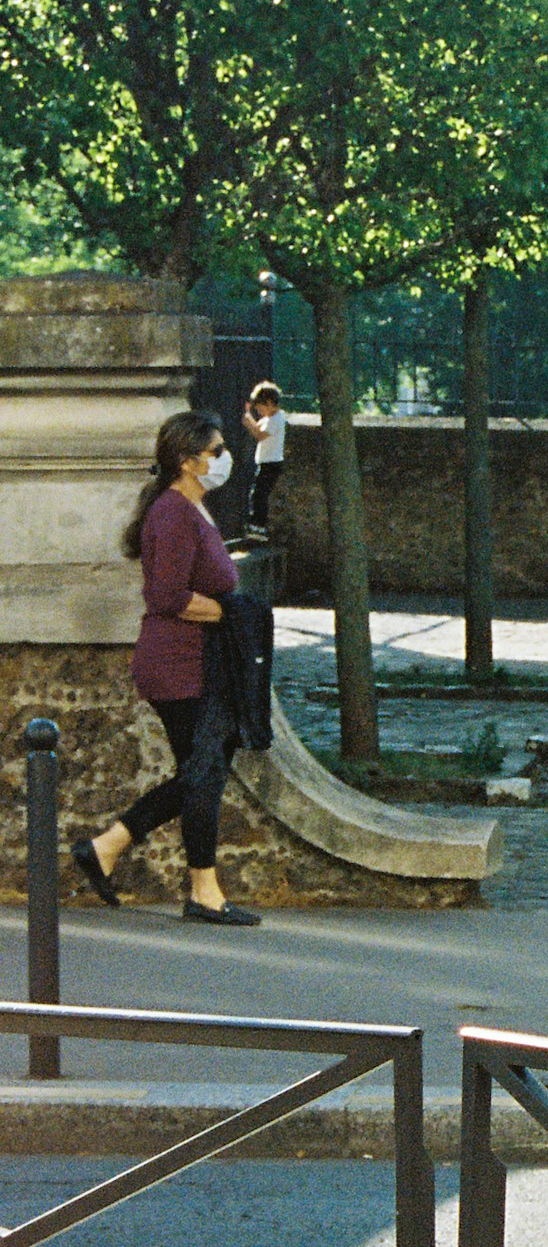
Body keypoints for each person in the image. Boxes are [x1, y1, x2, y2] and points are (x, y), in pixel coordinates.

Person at [70, 411, 262, 927]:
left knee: (203, 772)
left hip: (196, 663)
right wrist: (231, 611)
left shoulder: (194, 509)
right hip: (178, 664)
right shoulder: (173, 514)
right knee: (204, 773)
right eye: (217, 450)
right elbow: (166, 596)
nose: (225, 458)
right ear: (187, 460)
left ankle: (109, 847)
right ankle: (201, 891)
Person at [242, 380, 286, 536]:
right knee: (258, 494)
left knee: (259, 495)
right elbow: (258, 427)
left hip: (271, 464)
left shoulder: (276, 420)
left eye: (260, 407)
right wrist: (249, 418)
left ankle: (259, 526)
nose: (259, 412)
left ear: (269, 403)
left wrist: (248, 423)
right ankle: (257, 524)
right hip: (266, 463)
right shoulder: (270, 418)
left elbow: (260, 435)